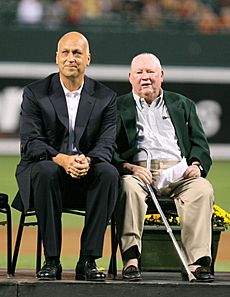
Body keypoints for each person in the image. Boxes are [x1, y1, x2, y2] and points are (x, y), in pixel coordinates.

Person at [12, 31, 119, 281]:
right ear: (57, 58)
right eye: (66, 53)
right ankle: (51, 260)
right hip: (47, 175)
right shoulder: (35, 93)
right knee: (46, 170)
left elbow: (107, 143)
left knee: (109, 173)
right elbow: (31, 142)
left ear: (88, 59)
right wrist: (62, 159)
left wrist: (87, 160)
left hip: (85, 175)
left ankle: (88, 260)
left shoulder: (105, 97)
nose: (71, 58)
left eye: (77, 53)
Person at [113, 53, 215, 282]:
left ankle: (196, 263)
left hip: (178, 173)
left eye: (150, 72)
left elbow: (200, 144)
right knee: (127, 187)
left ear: (161, 75)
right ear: (130, 77)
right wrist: (127, 166)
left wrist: (197, 165)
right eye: (139, 72)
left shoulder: (182, 104)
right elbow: (108, 148)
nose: (145, 77)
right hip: (139, 172)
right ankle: (131, 260)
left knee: (202, 189)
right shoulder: (118, 107)